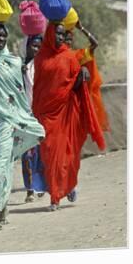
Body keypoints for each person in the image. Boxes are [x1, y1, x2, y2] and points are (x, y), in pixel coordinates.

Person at [0, 23, 45, 230]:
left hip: (6, 122)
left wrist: (25, 117)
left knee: (1, 165)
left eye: (4, 35)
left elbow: (19, 96)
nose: (0, 38)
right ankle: (3, 205)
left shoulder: (13, 62)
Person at [32, 23, 106, 211]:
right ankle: (56, 192)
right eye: (57, 34)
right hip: (46, 115)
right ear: (49, 35)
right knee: (50, 155)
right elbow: (39, 88)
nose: (60, 37)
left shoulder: (70, 57)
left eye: (62, 34)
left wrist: (82, 75)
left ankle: (56, 197)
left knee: (68, 154)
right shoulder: (41, 58)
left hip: (67, 114)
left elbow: (75, 85)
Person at [64, 23, 110, 133]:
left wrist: (81, 28)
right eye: (66, 39)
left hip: (79, 98)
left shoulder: (78, 55)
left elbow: (94, 44)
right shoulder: (55, 58)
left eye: (70, 40)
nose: (68, 42)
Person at [18, 35, 48, 203]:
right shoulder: (20, 68)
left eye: (39, 46)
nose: (36, 49)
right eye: (33, 46)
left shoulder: (44, 67)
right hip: (25, 115)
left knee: (42, 153)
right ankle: (29, 189)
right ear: (27, 47)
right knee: (27, 153)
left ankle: (40, 184)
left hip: (42, 114)